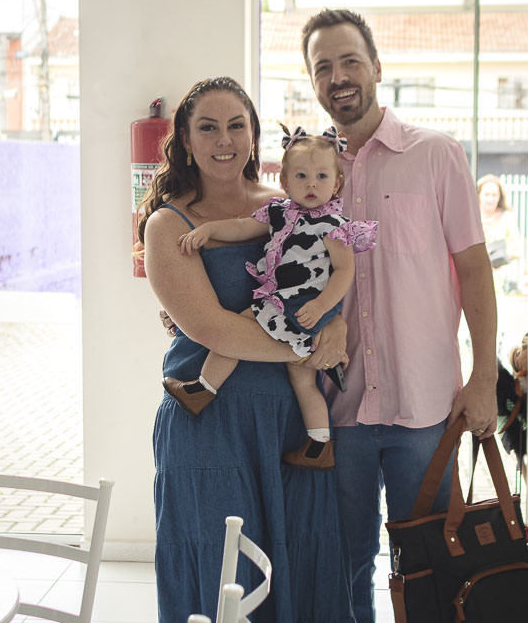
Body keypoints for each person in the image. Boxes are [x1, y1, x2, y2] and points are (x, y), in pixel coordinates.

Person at [138, 76, 368, 623]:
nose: (223, 140)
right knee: (213, 583)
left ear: (254, 134)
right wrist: (311, 344)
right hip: (206, 425)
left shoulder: (288, 205)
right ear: (183, 140)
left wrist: (337, 324)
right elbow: (214, 329)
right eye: (207, 127)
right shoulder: (167, 224)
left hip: (283, 426)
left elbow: (324, 286)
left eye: (236, 125)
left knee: (275, 579)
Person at [299, 9, 499, 623]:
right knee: (347, 565)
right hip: (343, 409)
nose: (338, 77)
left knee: (426, 567)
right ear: (313, 82)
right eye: (323, 67)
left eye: (349, 61)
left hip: (425, 407)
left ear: (377, 66)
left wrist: (483, 377)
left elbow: (474, 270)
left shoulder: (435, 153)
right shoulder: (309, 174)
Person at [162, 124, 378, 469]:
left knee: (232, 334)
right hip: (290, 304)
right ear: (285, 182)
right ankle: (319, 443)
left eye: (322, 176)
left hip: (300, 306)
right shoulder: (280, 213)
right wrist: (209, 230)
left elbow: (344, 272)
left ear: (337, 183)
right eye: (302, 176)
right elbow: (242, 227)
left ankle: (203, 389)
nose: (311, 184)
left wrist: (323, 306)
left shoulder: (334, 226)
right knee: (302, 378)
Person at [476, 174, 526, 295]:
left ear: (500, 197)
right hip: (474, 276)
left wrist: (497, 258)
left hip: (499, 281)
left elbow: (517, 247)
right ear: (478, 195)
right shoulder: (472, 217)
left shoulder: (508, 217)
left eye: (494, 195)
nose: (490, 199)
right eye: (487, 195)